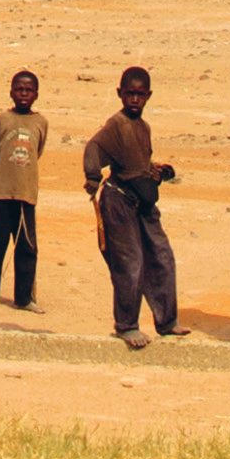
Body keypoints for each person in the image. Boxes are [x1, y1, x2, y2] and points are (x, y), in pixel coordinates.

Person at [83, 66, 188, 349]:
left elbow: (137, 163)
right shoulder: (115, 125)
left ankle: (167, 321)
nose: (134, 99)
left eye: (140, 95)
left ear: (148, 96)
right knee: (130, 263)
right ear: (120, 93)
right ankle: (126, 325)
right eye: (129, 93)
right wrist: (92, 176)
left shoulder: (143, 127)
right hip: (118, 201)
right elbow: (93, 148)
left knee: (162, 256)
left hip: (141, 202)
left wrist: (156, 172)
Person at [0, 69, 48, 311]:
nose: (23, 93)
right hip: (0, 193)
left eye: (28, 90)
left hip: (26, 194)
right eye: (19, 89)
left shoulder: (41, 123)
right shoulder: (2, 120)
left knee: (27, 245)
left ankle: (25, 298)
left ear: (36, 94)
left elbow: (37, 152)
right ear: (11, 92)